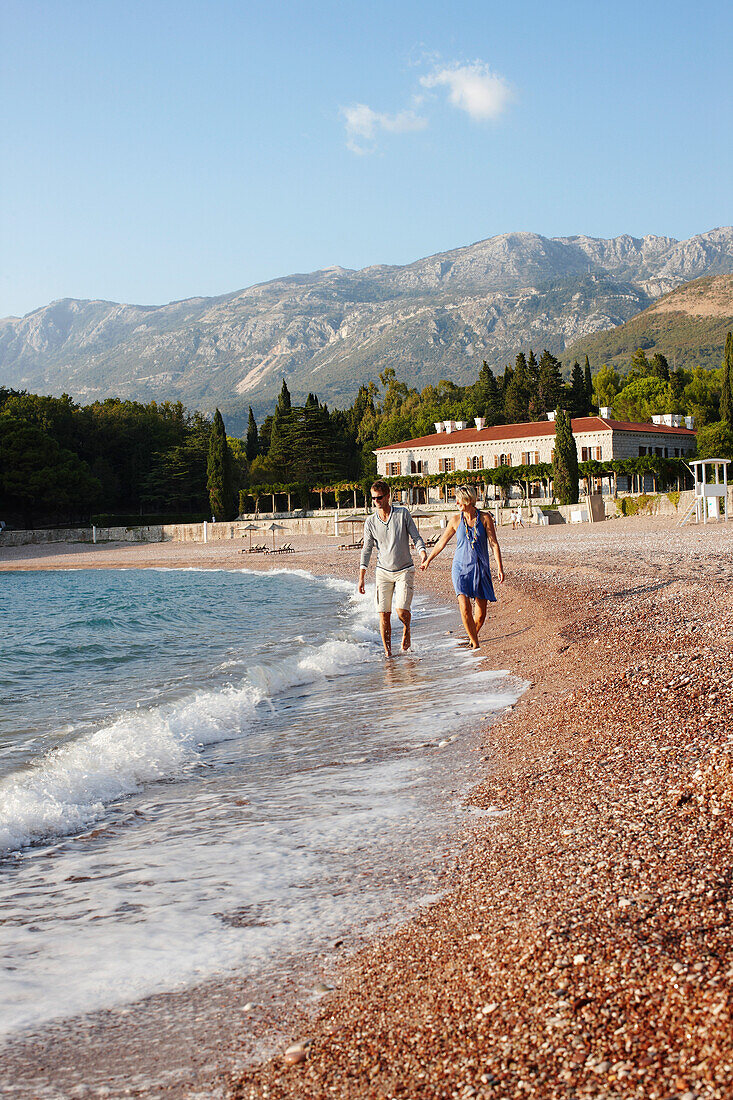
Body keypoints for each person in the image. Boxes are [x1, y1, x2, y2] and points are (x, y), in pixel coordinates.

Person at [421, 485, 504, 650]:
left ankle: (471, 636)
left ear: (469, 499)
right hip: (460, 569)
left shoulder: (485, 518)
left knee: (480, 616)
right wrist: (428, 559)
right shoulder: (455, 520)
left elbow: (494, 544)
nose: (457, 502)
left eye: (460, 498)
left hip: (481, 569)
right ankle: (475, 643)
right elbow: (441, 543)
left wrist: (500, 568)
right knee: (465, 608)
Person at [358, 481, 427, 657]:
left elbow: (416, 536)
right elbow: (367, 549)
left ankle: (406, 628)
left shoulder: (402, 514)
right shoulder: (371, 522)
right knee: (384, 615)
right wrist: (362, 576)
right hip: (383, 572)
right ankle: (388, 653)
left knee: (402, 611)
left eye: (379, 497)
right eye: (373, 498)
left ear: (388, 496)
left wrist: (422, 552)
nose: (376, 501)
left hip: (404, 570)